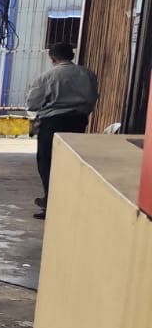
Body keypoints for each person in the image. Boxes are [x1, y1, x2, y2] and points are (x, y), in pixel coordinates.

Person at [26, 41, 98, 219]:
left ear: (52, 58)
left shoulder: (47, 77)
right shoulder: (87, 74)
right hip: (78, 122)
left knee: (48, 163)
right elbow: (93, 98)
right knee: (71, 163)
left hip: (53, 123)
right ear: (71, 55)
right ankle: (68, 202)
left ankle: (50, 204)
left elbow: (33, 103)